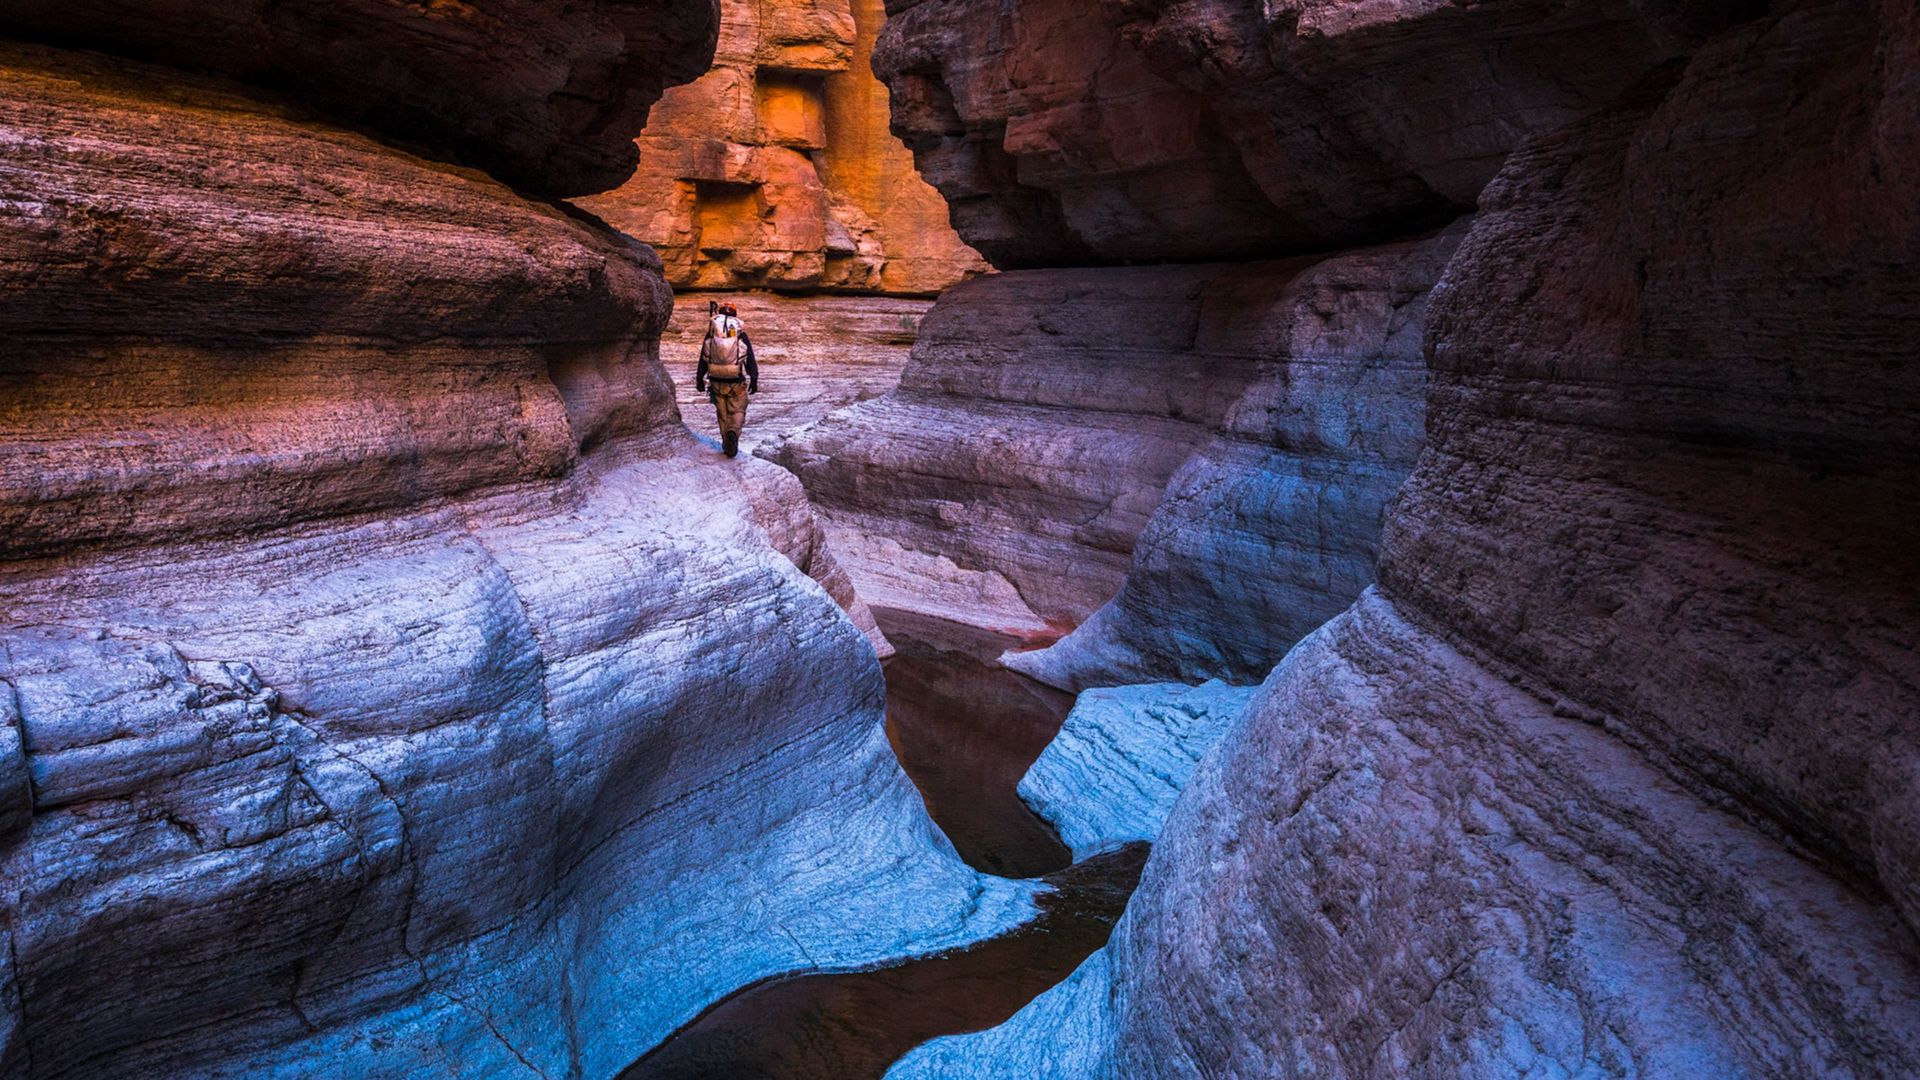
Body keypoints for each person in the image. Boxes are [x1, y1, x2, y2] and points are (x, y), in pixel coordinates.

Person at [694, 301, 759, 458]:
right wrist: (754, 377)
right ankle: (733, 433)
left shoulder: (711, 333)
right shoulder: (740, 334)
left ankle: (726, 445)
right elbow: (749, 356)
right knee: (737, 410)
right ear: (735, 315)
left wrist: (699, 378)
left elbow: (704, 357)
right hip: (735, 381)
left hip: (715, 381)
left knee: (722, 414)